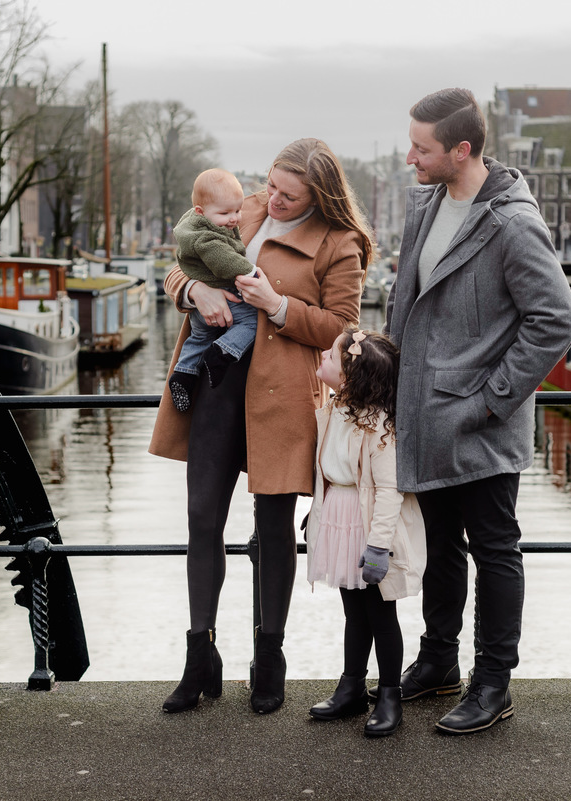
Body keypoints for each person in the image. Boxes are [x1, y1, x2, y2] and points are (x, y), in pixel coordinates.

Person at [150, 138, 373, 715]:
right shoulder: (238, 209)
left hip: (281, 401)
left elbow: (344, 331)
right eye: (270, 185)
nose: (271, 200)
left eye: (287, 194)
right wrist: (194, 290)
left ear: (317, 196)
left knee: (273, 527)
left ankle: (268, 654)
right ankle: (199, 654)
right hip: (215, 389)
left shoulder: (339, 243)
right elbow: (177, 265)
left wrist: (276, 305)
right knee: (202, 517)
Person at [385, 88, 571, 735]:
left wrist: (493, 399)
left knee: (494, 547)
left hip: (480, 421)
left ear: (461, 150)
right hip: (426, 414)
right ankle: (439, 658)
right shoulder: (427, 203)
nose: (410, 156)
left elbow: (557, 320)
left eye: (422, 147)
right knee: (440, 542)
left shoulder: (511, 223)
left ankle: (492, 681)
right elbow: (408, 304)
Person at [304, 327, 425, 738]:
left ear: (352, 376)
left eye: (332, 356)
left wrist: (378, 546)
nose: (323, 354)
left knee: (380, 612)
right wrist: (316, 514)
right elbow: (330, 471)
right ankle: (351, 685)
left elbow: (390, 491)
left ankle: (390, 693)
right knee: (353, 612)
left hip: (368, 524)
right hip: (340, 516)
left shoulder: (379, 427)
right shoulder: (334, 407)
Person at [167, 169, 260, 411]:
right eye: (226, 213)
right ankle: (222, 352)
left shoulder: (199, 222)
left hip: (200, 315)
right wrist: (252, 273)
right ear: (200, 211)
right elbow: (225, 260)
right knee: (252, 321)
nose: (235, 219)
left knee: (199, 338)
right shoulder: (208, 237)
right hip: (225, 297)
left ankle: (183, 374)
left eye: (237, 211)